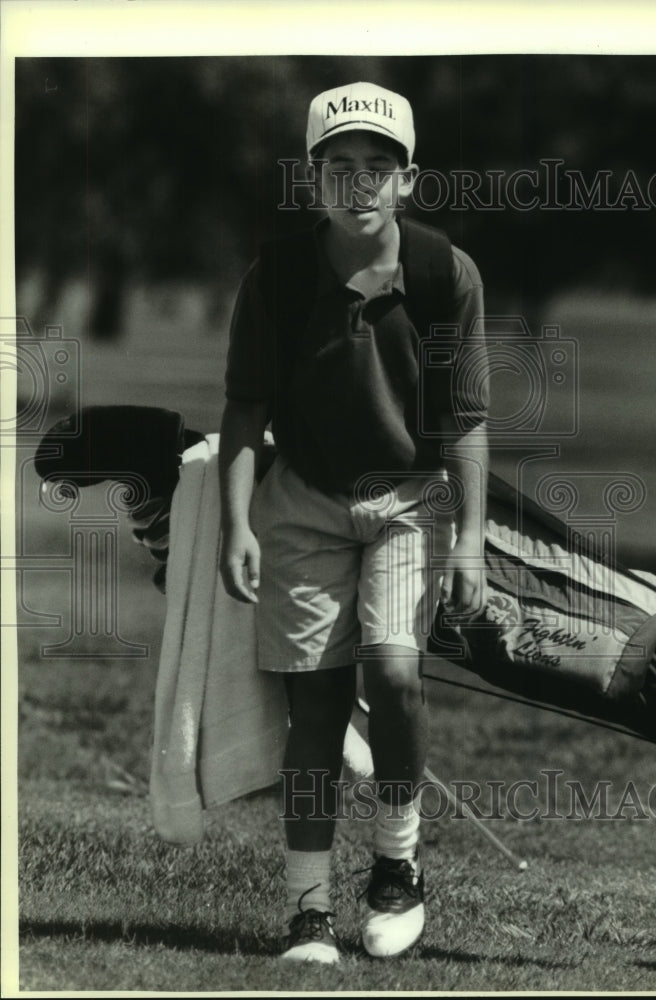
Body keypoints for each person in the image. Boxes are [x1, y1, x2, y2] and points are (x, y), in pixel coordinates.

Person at [218, 81, 489, 964]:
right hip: (302, 501)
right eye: (340, 167)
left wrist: (472, 543)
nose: (359, 183)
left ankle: (396, 869)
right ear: (311, 178)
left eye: (380, 166)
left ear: (408, 181)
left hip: (409, 501)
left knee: (398, 673)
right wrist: (236, 525)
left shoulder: (446, 273)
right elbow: (244, 409)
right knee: (317, 702)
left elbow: (465, 422)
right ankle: (306, 910)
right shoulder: (280, 274)